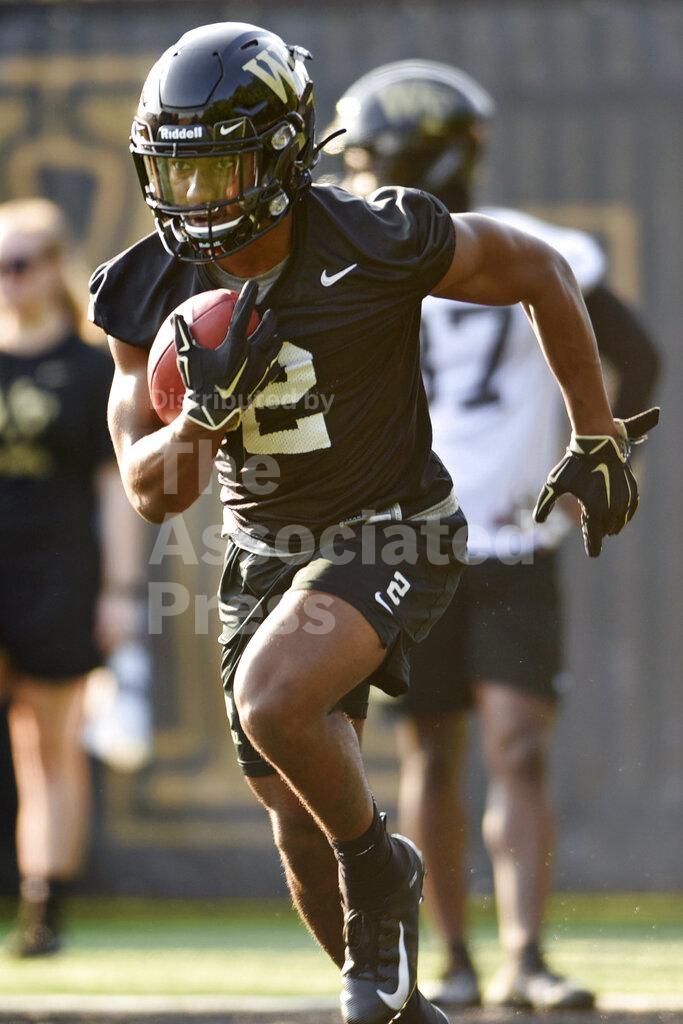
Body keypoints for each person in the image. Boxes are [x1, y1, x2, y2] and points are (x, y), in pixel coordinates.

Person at [88, 23, 657, 1024]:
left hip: (395, 524)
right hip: (264, 551)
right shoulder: (145, 288)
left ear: (282, 157)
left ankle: (383, 868)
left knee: (274, 702)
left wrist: (594, 433)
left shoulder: (373, 235)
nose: (197, 198)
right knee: (292, 821)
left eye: (219, 168)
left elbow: (537, 268)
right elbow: (152, 492)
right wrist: (199, 420)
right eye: (177, 172)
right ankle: (397, 998)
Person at [332, 60, 660, 1010]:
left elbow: (635, 355)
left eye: (371, 156)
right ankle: (451, 957)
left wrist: (601, 457)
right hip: (412, 540)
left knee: (517, 743)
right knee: (430, 751)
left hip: (514, 540)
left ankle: (524, 952)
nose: (359, 176)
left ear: (416, 155)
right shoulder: (355, 259)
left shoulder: (526, 247)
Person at [0, 197, 143, 956]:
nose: (8, 279)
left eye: (20, 263)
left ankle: (45, 905)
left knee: (47, 746)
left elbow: (114, 489)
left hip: (57, 572)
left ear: (54, 267)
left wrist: (118, 592)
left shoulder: (92, 369)